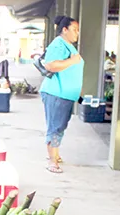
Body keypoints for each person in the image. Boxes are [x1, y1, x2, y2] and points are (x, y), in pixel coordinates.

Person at [39, 16, 84, 174]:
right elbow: (51, 65)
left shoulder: (68, 46)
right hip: (56, 92)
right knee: (55, 127)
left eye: (78, 30)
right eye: (74, 29)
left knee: (60, 126)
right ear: (64, 30)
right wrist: (72, 61)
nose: (77, 33)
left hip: (66, 94)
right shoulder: (59, 44)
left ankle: (55, 155)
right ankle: (52, 161)